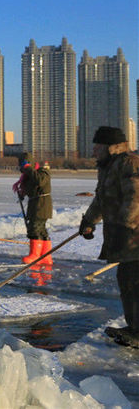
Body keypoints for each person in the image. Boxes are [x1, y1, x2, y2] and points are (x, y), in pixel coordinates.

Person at [78, 126, 139, 349]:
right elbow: (102, 200)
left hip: (134, 235)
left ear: (111, 147)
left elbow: (135, 198)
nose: (93, 151)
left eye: (97, 146)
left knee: (134, 280)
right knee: (127, 280)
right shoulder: (107, 168)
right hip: (123, 235)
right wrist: (88, 221)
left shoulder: (129, 163)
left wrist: (126, 226)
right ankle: (134, 328)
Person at [13, 152, 53, 266]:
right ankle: (46, 257)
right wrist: (22, 193)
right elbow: (30, 187)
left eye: (23, 165)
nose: (22, 168)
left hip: (41, 205)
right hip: (35, 205)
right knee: (41, 230)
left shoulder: (42, 172)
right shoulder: (29, 176)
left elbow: (39, 181)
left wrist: (28, 169)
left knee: (35, 228)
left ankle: (35, 255)